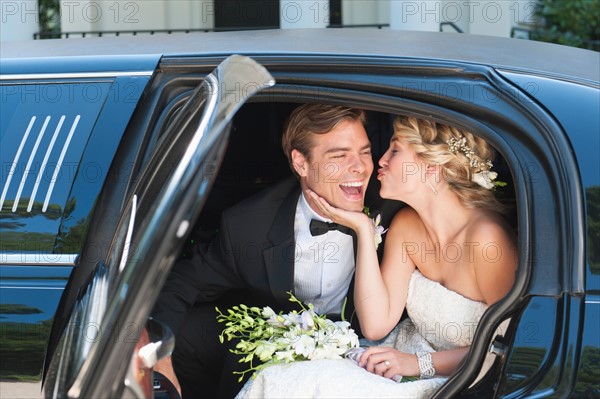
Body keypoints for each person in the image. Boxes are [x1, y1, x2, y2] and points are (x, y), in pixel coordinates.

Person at [235, 116, 517, 398]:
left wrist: (418, 364)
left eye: (394, 150)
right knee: (280, 377)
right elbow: (375, 324)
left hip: (460, 377)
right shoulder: (407, 226)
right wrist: (363, 230)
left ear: (431, 168)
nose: (380, 161)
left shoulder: (487, 240)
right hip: (398, 356)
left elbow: (509, 345)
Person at [152, 103, 382, 398]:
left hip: (370, 345)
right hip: (284, 343)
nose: (360, 167)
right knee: (188, 333)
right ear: (300, 163)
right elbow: (182, 283)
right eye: (339, 156)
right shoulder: (250, 226)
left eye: (365, 151)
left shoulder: (389, 203)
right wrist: (159, 355)